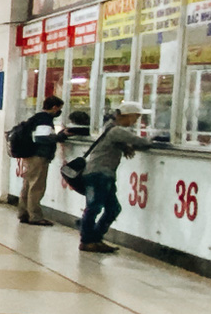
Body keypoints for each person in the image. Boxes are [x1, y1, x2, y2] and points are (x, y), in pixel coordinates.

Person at [73, 101, 146, 254]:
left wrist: (123, 147)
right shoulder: (117, 130)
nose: (136, 121)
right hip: (99, 174)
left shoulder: (109, 127)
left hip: (104, 174)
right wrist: (155, 140)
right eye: (136, 117)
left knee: (112, 208)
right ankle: (87, 240)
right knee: (94, 208)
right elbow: (142, 142)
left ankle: (95, 238)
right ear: (127, 116)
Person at [15, 95, 64, 225]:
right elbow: (42, 138)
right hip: (39, 155)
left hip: (30, 154)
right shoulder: (45, 119)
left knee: (28, 184)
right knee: (36, 186)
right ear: (54, 107)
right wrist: (60, 136)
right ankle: (35, 216)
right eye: (59, 108)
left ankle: (23, 213)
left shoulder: (36, 117)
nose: (59, 111)